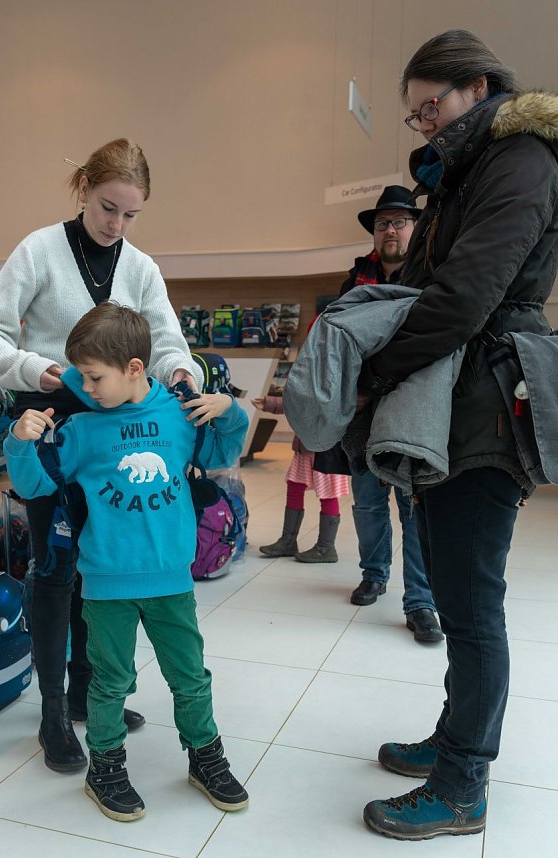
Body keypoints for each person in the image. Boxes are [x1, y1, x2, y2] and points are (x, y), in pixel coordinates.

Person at [359, 30, 558, 840]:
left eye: (428, 107)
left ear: (476, 87)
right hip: (455, 394)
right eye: (412, 118)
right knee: (444, 582)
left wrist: (375, 371)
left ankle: (463, 782)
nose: (422, 125)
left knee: (471, 604)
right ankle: (452, 740)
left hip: (486, 396)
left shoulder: (522, 161)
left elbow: (465, 295)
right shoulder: (469, 170)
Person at [0, 139, 203, 773]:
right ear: (84, 189)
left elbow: (165, 341)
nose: (116, 224)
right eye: (108, 207)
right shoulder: (38, 250)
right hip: (51, 419)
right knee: (55, 565)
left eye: (130, 214)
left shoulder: (139, 266)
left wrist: (184, 376)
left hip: (117, 432)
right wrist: (40, 367)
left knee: (100, 563)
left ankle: (87, 688)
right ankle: (53, 712)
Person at [4, 303, 250, 822]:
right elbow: (35, 486)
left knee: (190, 677)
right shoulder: (81, 430)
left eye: (95, 377)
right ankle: (107, 767)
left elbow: (224, 449)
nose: (86, 388)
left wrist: (229, 409)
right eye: (84, 377)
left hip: (171, 582)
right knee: (109, 680)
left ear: (135, 369)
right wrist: (19, 442)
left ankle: (205, 756)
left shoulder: (179, 415)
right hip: (106, 582)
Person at [341, 186, 443, 644]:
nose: (391, 229)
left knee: (413, 507)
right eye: (383, 222)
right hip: (361, 412)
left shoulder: (431, 277)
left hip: (410, 410)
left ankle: (420, 601)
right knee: (366, 502)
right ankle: (374, 574)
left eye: (400, 221)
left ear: (415, 227)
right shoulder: (354, 280)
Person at [253, 394, 349, 563]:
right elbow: (303, 399)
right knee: (295, 485)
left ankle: (326, 548)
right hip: (307, 442)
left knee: (328, 494)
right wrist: (272, 403)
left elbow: (310, 400)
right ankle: (288, 542)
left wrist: (273, 403)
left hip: (327, 446)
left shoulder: (334, 370)